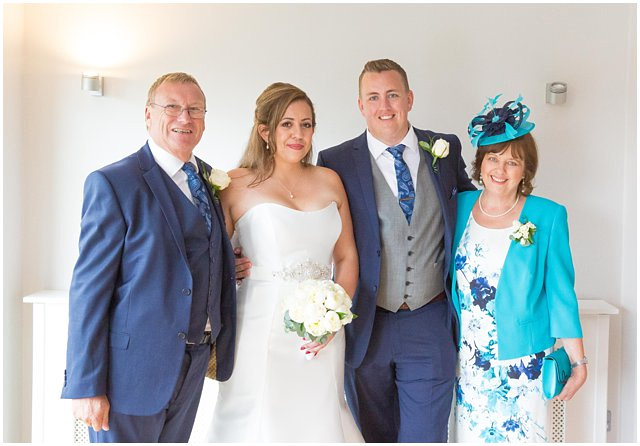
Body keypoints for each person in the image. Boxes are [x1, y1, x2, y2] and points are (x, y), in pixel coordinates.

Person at [61, 72, 237, 442]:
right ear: (147, 115)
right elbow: (89, 290)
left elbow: (188, 258)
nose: (184, 118)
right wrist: (85, 384)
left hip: (194, 361)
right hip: (130, 372)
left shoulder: (208, 179)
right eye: (171, 107)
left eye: (194, 109)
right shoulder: (114, 183)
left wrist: (225, 264)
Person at [316, 59, 475, 442]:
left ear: (409, 98)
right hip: (366, 323)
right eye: (373, 97)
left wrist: (521, 219)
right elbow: (315, 227)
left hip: (430, 320)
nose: (384, 105)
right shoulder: (335, 161)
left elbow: (474, 209)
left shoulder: (445, 149)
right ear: (360, 105)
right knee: (374, 436)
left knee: (425, 436)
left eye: (392, 95)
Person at [207, 82, 363, 442]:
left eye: (306, 124)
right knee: (259, 419)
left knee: (320, 417)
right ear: (265, 131)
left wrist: (335, 319)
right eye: (287, 124)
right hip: (259, 325)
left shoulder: (329, 181)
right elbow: (212, 256)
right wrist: (228, 267)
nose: (298, 134)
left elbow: (346, 255)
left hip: (323, 331)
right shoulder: (234, 183)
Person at [451, 95, 587, 442]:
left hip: (524, 364)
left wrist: (579, 362)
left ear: (526, 170)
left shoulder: (548, 215)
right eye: (493, 158)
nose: (500, 169)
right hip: (467, 362)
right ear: (479, 164)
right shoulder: (457, 206)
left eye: (512, 162)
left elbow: (560, 292)